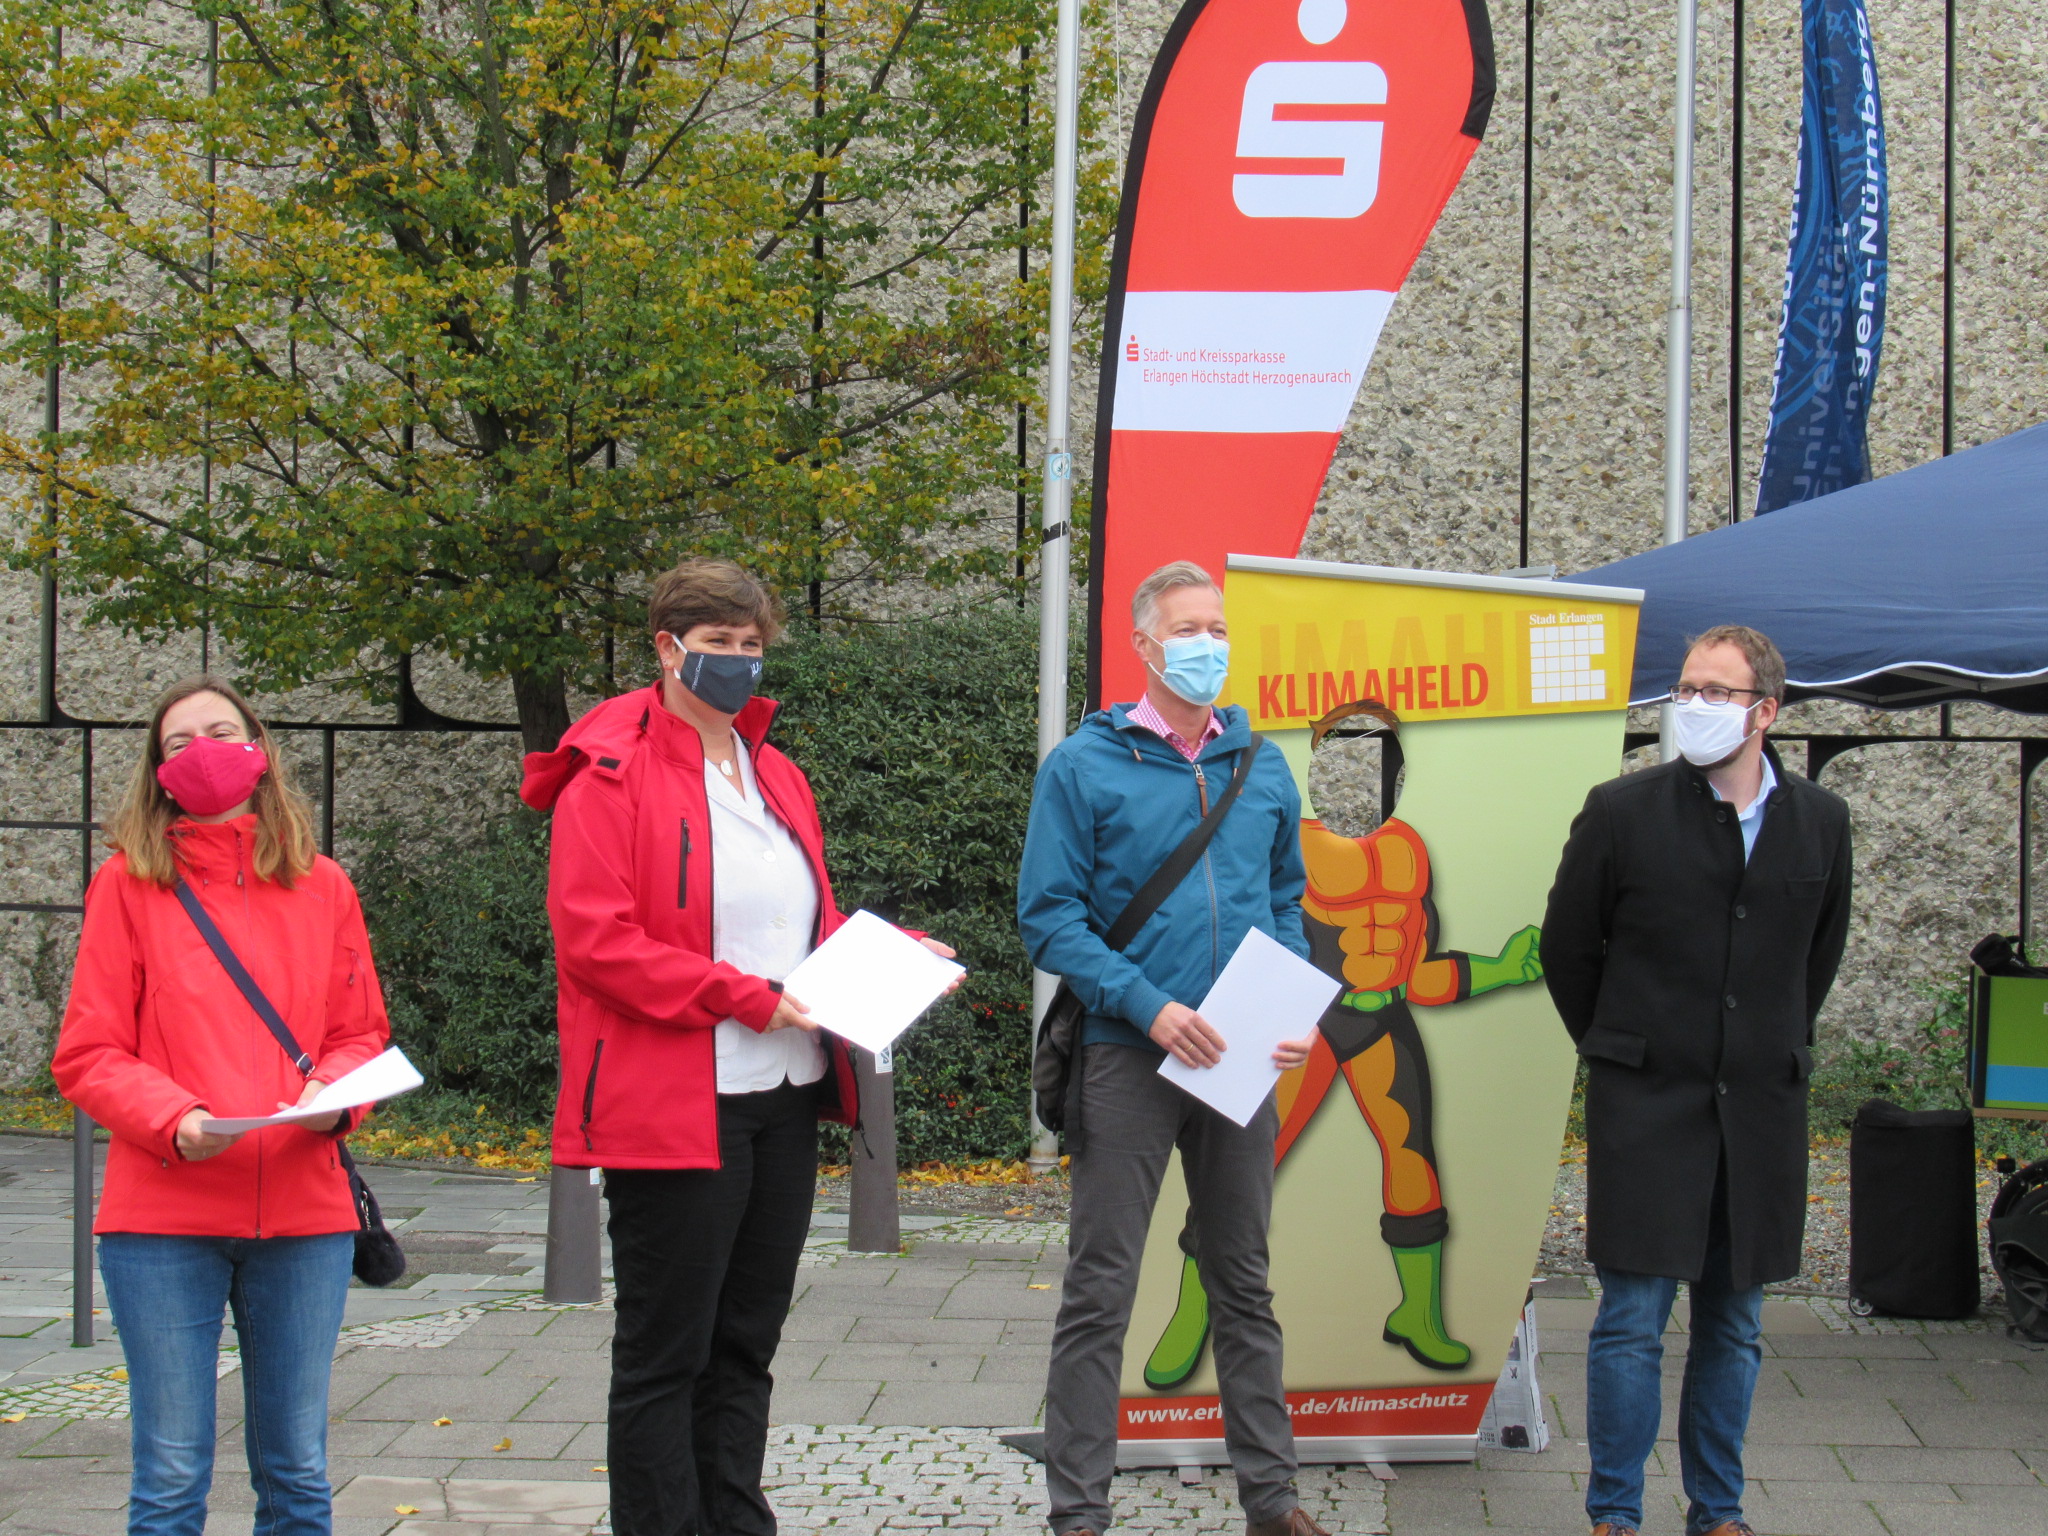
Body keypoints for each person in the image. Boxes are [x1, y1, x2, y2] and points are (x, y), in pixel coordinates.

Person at [519, 558, 958, 1536]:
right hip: (676, 1102)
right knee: (664, 1357)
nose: (737, 662)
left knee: (745, 1345)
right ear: (666, 647)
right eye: (716, 644)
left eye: (750, 645)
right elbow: (596, 945)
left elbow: (800, 929)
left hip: (783, 1099)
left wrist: (886, 955)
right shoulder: (607, 771)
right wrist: (745, 999)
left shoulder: (775, 773)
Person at [1018, 560, 1327, 1536]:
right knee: (1100, 1289)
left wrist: (1283, 999)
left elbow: (1286, 894)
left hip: (1239, 1056)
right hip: (1127, 1055)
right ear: (1144, 646)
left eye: (1217, 628)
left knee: (1241, 1280)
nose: (1208, 646)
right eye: (1188, 629)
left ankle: (1271, 1506)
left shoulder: (1258, 762)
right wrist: (1147, 1007)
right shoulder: (1083, 764)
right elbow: (1049, 919)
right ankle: (1079, 1516)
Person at [52, 675, 392, 1536]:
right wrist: (174, 1118)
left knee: (298, 1473)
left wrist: (332, 1100)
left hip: (303, 1215)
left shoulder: (325, 887)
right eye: (178, 743)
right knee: (169, 1476)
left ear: (261, 752)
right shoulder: (125, 886)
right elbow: (88, 1053)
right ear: (158, 774)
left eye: (221, 731)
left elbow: (360, 1037)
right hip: (163, 1217)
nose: (202, 752)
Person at [1541, 625, 1853, 1536]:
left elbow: (1816, 956)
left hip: (1759, 1107)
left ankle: (1718, 1511)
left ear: (1767, 711)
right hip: (1649, 1100)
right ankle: (1616, 1514)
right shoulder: (1622, 810)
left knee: (1735, 1320)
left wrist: (1771, 1040)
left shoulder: (1822, 822)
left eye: (1716, 690)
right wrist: (1619, 1046)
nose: (1693, 705)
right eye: (1685, 687)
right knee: (1631, 1319)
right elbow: (1570, 948)